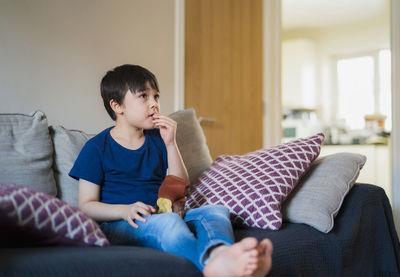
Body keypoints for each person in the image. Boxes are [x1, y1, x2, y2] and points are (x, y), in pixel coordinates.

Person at [69, 64, 273, 277]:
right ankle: (215, 268)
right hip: (119, 224)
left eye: (156, 96)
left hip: (163, 214)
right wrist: (124, 210)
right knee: (169, 223)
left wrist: (170, 143)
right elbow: (86, 206)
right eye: (143, 97)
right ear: (117, 106)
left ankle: (221, 254)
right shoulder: (96, 148)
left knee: (216, 211)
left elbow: (179, 185)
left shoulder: (157, 139)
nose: (154, 104)